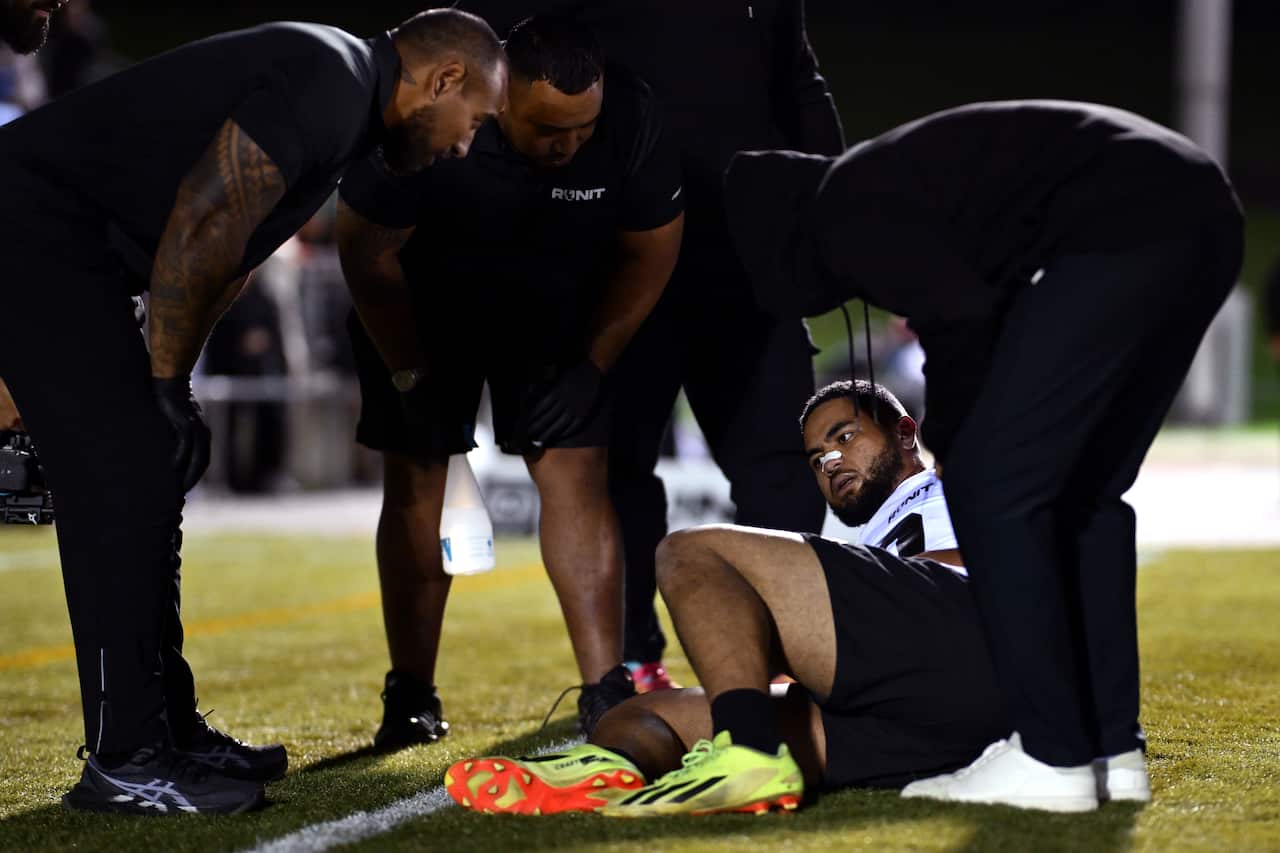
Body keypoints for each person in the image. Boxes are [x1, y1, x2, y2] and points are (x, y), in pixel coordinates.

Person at [0, 9, 505, 815]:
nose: (463, 145)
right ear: (443, 79)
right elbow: (204, 221)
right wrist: (162, 391)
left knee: (150, 468)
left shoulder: (344, 109)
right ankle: (126, 759)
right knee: (125, 473)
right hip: (32, 232)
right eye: (473, 120)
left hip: (64, 246)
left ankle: (163, 726)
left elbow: (223, 259)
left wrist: (176, 390)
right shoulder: (330, 80)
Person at [720, 100, 1243, 811]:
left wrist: (963, 450)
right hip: (1202, 214)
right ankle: (1109, 749)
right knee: (1085, 497)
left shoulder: (845, 210)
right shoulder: (887, 181)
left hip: (1124, 222)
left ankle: (1052, 756)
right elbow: (973, 312)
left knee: (995, 489)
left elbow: (965, 322)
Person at [461, 0, 842, 693]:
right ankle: (635, 658)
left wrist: (827, 196)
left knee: (779, 467)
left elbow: (799, 80)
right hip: (613, 264)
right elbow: (488, 51)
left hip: (743, 257)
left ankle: (783, 660)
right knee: (620, 474)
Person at [337, 15, 683, 745]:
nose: (570, 145)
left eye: (583, 131)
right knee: (418, 477)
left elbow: (650, 252)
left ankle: (605, 686)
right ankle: (410, 694)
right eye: (549, 130)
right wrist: (407, 368)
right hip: (423, 302)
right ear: (501, 98)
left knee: (576, 470)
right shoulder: (440, 115)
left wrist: (594, 363)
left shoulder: (631, 114)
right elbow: (365, 250)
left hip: (554, 307)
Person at [444, 380, 1021, 815]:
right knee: (644, 713)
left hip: (977, 654)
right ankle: (607, 767)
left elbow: (991, 570)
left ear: (904, 432)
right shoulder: (863, 539)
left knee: (690, 552)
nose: (831, 462)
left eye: (844, 437)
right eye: (817, 458)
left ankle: (750, 755)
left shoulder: (951, 480)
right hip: (916, 724)